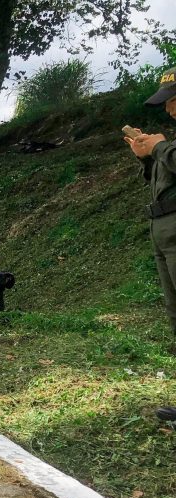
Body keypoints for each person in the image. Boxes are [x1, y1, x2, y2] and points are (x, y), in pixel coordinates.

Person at [127, 66, 176, 422]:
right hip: (162, 227)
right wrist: (148, 157)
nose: (169, 109)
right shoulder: (169, 144)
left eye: (174, 101)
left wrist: (159, 147)